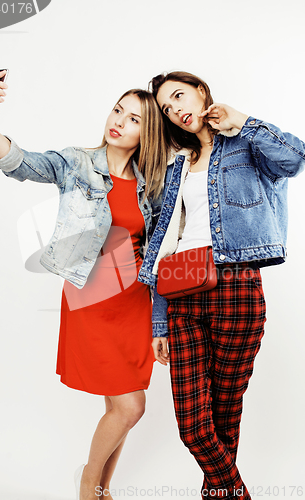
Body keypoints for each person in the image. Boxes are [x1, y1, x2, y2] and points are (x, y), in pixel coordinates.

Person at [0, 70, 167, 500]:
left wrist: (161, 318)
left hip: (136, 302)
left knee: (121, 409)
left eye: (134, 118)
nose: (118, 120)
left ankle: (102, 488)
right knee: (132, 407)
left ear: (147, 131)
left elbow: (158, 248)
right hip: (93, 297)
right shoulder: (77, 162)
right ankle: (87, 487)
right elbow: (22, 163)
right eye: (118, 109)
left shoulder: (153, 183)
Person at [137, 71, 305, 500]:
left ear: (202, 92)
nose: (176, 109)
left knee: (224, 418)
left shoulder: (246, 145)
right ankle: (238, 493)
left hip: (236, 284)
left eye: (179, 96)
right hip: (180, 288)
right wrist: (159, 319)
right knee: (193, 426)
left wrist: (243, 121)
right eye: (167, 108)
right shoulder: (176, 165)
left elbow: (295, 159)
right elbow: (162, 242)